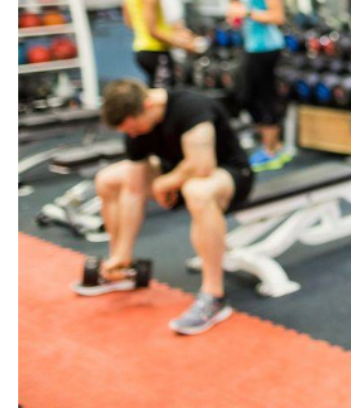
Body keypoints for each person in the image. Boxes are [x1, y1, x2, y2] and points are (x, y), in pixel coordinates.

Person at [74, 79, 256, 337]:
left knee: (197, 191)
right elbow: (135, 189)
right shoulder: (135, 129)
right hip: (179, 175)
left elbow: (202, 165)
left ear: (147, 105)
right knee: (108, 180)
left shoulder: (192, 107)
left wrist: (165, 183)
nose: (134, 135)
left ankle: (214, 295)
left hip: (229, 174)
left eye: (135, 128)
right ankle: (121, 267)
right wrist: (124, 252)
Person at [223, 0, 292, 171]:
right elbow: (249, 12)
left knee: (261, 97)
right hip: (252, 45)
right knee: (247, 96)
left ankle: (272, 150)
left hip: (267, 47)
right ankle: (272, 144)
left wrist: (247, 13)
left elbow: (277, 16)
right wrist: (237, 16)